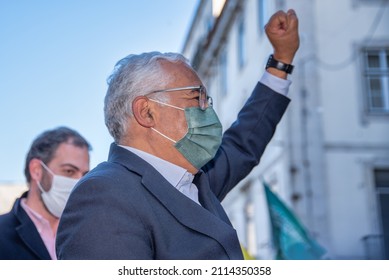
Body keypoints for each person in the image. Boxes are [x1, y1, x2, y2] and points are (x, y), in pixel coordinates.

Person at [56, 9, 299, 260]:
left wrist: (281, 60)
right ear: (146, 112)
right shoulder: (105, 196)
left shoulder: (191, 180)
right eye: (197, 97)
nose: (208, 110)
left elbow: (243, 143)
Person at [0, 127, 91, 259]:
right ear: (37, 170)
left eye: (84, 175)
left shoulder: (86, 234)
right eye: (69, 171)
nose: (79, 182)